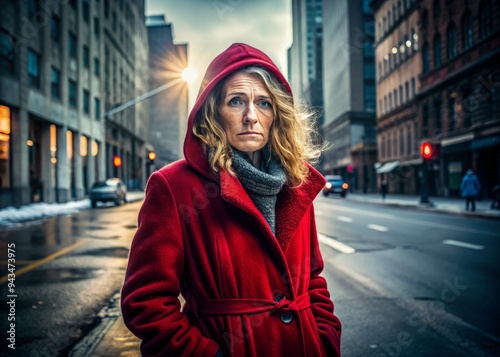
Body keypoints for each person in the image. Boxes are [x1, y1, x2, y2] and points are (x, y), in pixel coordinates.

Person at [121, 43, 342, 357]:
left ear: (276, 114)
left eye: (263, 103)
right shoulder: (174, 187)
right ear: (213, 112)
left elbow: (312, 279)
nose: (251, 116)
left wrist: (325, 339)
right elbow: (145, 302)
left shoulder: (295, 182)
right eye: (236, 101)